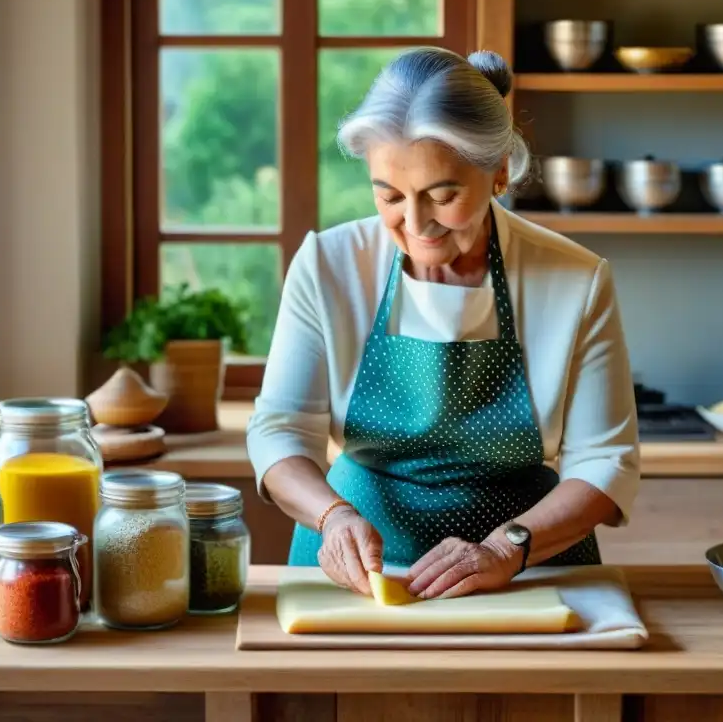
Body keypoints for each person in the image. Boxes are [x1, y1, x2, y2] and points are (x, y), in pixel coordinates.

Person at [247, 47, 639, 601]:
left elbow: (605, 461)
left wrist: (509, 547)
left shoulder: (576, 279)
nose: (414, 223)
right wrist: (331, 518)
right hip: (357, 572)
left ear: (499, 169)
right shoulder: (327, 265)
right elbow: (280, 430)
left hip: (527, 570)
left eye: (443, 195)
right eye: (389, 195)